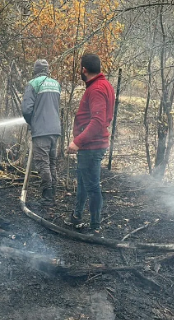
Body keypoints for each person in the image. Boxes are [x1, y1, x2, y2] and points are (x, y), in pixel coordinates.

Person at [66, 53, 115, 233]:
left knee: (92, 186)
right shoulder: (104, 85)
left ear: (84, 70)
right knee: (84, 182)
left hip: (92, 146)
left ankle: (95, 226)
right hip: (91, 145)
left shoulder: (96, 89)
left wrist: (78, 142)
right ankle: (76, 216)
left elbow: (97, 121)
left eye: (80, 68)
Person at [22, 59, 62, 204]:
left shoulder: (33, 84)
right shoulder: (56, 84)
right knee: (52, 163)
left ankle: (47, 197)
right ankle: (53, 194)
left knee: (42, 163)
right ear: (47, 70)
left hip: (41, 131)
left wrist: (32, 122)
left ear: (35, 70)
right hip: (55, 130)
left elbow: (26, 109)